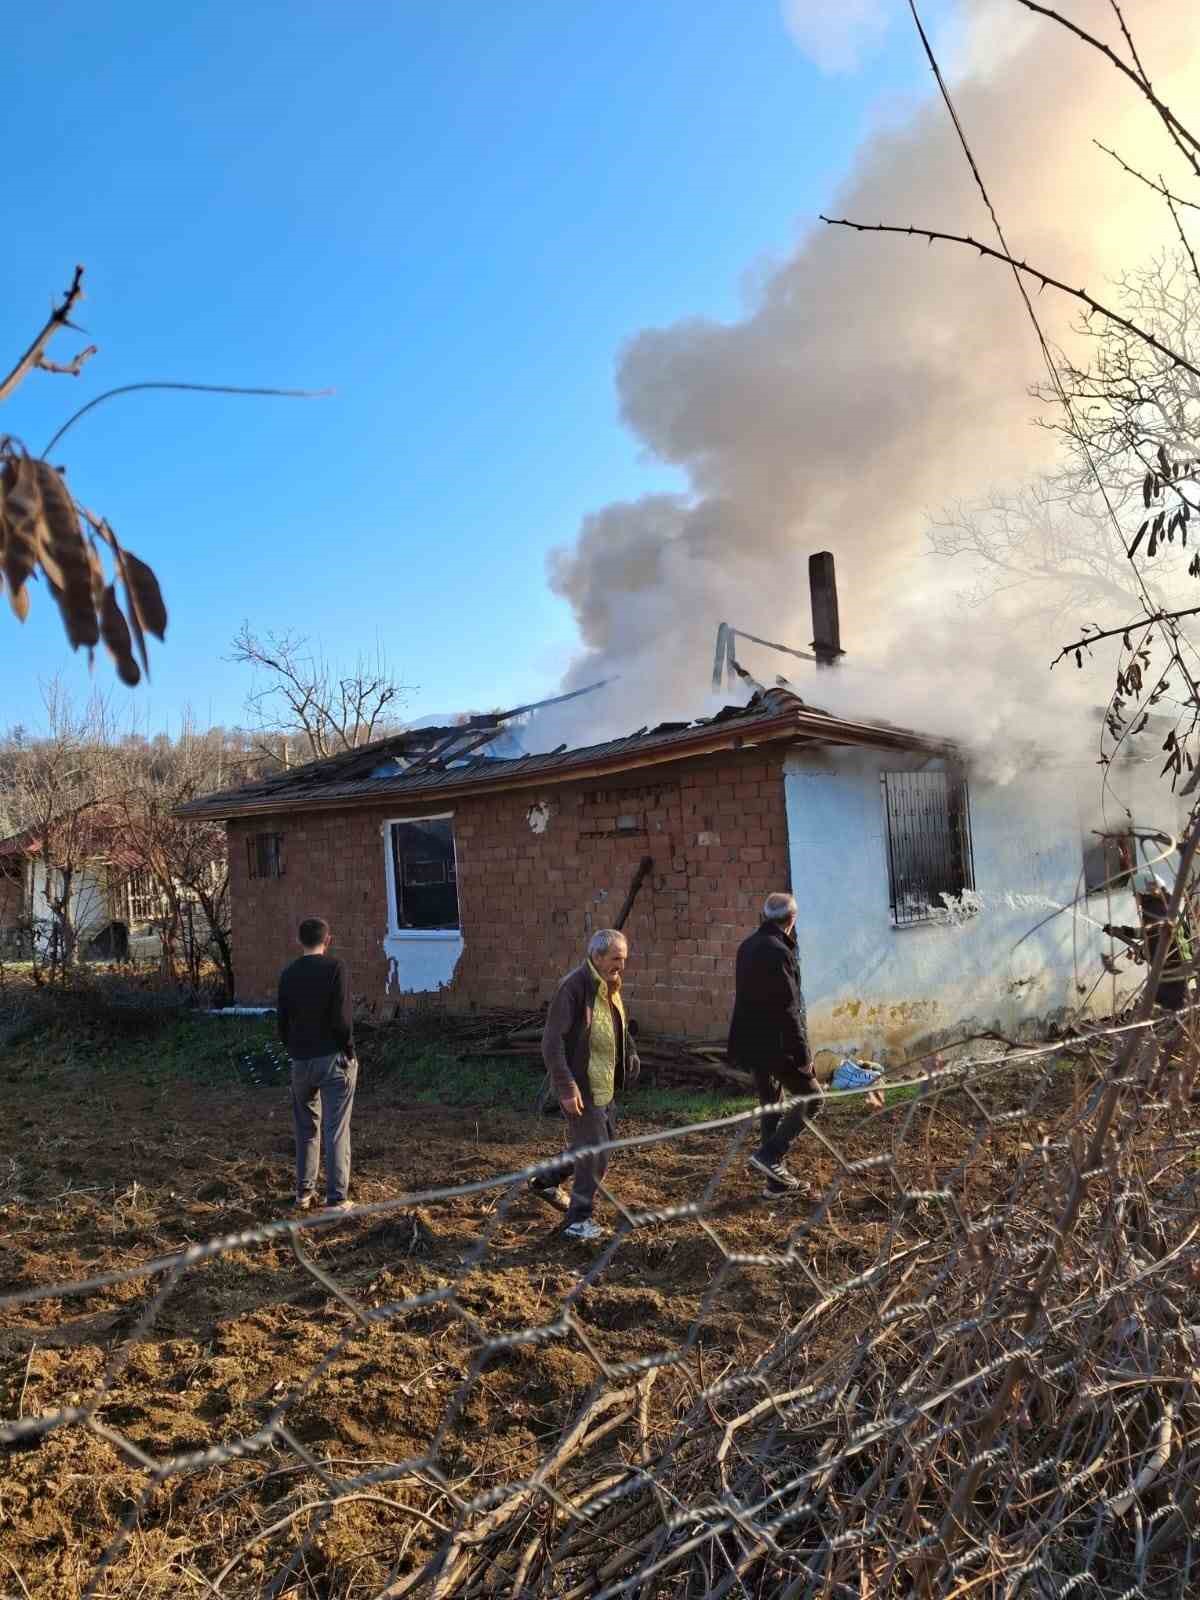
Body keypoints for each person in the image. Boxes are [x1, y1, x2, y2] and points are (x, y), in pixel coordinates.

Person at [539, 928, 640, 1241]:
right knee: (595, 1153)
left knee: (596, 1145)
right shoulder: (573, 988)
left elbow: (616, 1024)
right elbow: (551, 1042)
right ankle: (577, 1221)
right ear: (596, 956)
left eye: (624, 959)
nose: (621, 966)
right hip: (581, 1087)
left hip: (603, 1083)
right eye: (616, 959)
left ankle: (545, 1181)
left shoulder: (609, 984)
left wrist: (630, 1052)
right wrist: (566, 1087)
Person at [728, 892, 821, 1199]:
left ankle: (775, 1183)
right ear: (792, 919)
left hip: (751, 1043)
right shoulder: (779, 951)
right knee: (813, 1098)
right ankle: (771, 1155)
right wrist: (803, 1056)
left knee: (772, 1106)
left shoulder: (747, 946)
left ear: (765, 916)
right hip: (776, 1046)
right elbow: (788, 1009)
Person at [277, 916, 358, 1212]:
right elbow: (341, 1017)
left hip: (300, 1063)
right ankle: (336, 1198)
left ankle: (303, 1194)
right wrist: (349, 1050)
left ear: (299, 941)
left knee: (306, 1129)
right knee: (336, 1129)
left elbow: (282, 1022)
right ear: (328, 940)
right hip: (332, 1059)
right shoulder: (336, 968)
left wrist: (295, 1050)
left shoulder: (288, 974)